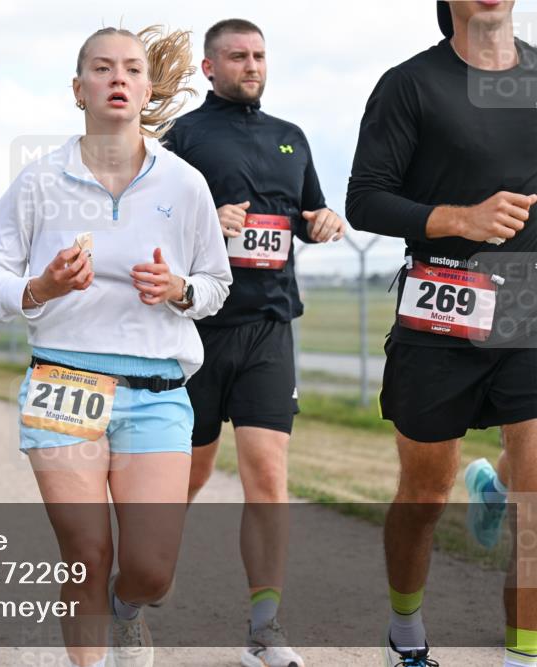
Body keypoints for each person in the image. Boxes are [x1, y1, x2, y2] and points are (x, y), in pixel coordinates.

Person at [0, 25, 232, 667]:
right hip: (66, 383)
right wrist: (40, 286)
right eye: (102, 68)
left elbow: (217, 285)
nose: (118, 78)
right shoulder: (38, 183)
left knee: (150, 570)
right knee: (86, 552)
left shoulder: (185, 184)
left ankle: (128, 611)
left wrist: (179, 289)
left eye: (132, 69)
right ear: (77, 88)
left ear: (147, 87)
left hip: (159, 390)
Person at [346, 2, 537, 665]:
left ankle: (524, 651)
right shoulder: (412, 84)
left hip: (529, 307)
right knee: (425, 494)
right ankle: (405, 629)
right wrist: (460, 218)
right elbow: (365, 198)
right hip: (441, 306)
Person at [165, 18, 345, 667]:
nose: (253, 64)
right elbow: (148, 229)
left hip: (270, 329)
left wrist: (324, 223)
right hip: (197, 331)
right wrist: (203, 224)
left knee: (268, 476)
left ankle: (264, 627)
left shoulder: (291, 139)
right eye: (238, 55)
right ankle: (142, 578)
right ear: (209, 67)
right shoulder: (183, 137)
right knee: (185, 475)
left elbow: (310, 218)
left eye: (260, 55)